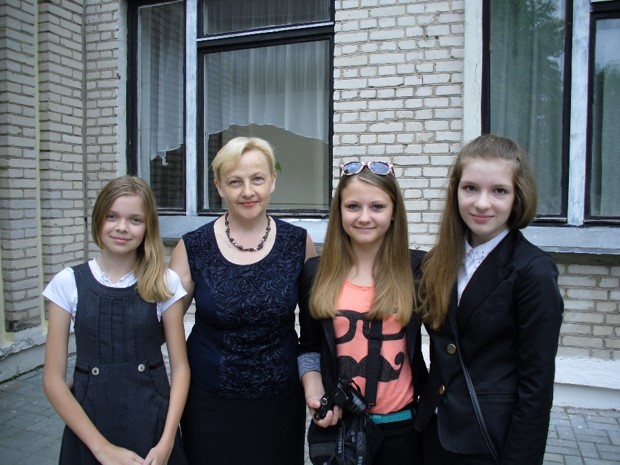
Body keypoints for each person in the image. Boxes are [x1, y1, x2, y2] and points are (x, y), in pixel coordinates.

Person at [414, 134, 564, 465]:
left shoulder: (533, 271)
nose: (482, 203)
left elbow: (536, 386)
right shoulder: (438, 260)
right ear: (456, 191)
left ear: (518, 196)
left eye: (499, 191)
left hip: (488, 440)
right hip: (434, 431)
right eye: (470, 188)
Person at [169, 136, 317, 465]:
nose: (248, 191)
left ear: (273, 181)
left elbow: (314, 331)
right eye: (235, 181)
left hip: (280, 401)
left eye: (257, 179)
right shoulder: (193, 247)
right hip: (209, 399)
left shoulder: (298, 243)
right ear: (219, 187)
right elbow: (163, 322)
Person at [43, 176, 190, 465]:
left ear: (148, 227)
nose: (122, 227)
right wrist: (102, 449)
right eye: (112, 216)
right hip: (90, 425)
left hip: (152, 423)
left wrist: (167, 442)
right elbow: (52, 380)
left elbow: (181, 368)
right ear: (98, 218)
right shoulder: (68, 282)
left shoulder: (164, 282)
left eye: (135, 220)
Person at [298, 161, 428, 464]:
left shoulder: (419, 270)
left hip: (403, 428)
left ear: (394, 212)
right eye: (353, 206)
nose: (365, 217)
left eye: (377, 207)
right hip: (341, 429)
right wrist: (314, 392)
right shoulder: (316, 273)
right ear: (339, 211)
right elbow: (309, 346)